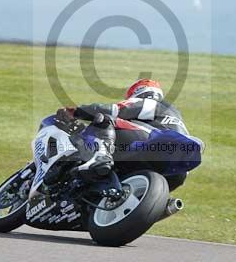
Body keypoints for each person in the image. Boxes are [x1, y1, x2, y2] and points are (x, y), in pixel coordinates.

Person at [50, 79, 195, 190]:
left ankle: (101, 157)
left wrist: (76, 111)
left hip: (149, 143)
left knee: (104, 118)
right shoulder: (178, 119)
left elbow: (112, 110)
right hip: (177, 174)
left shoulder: (150, 102)